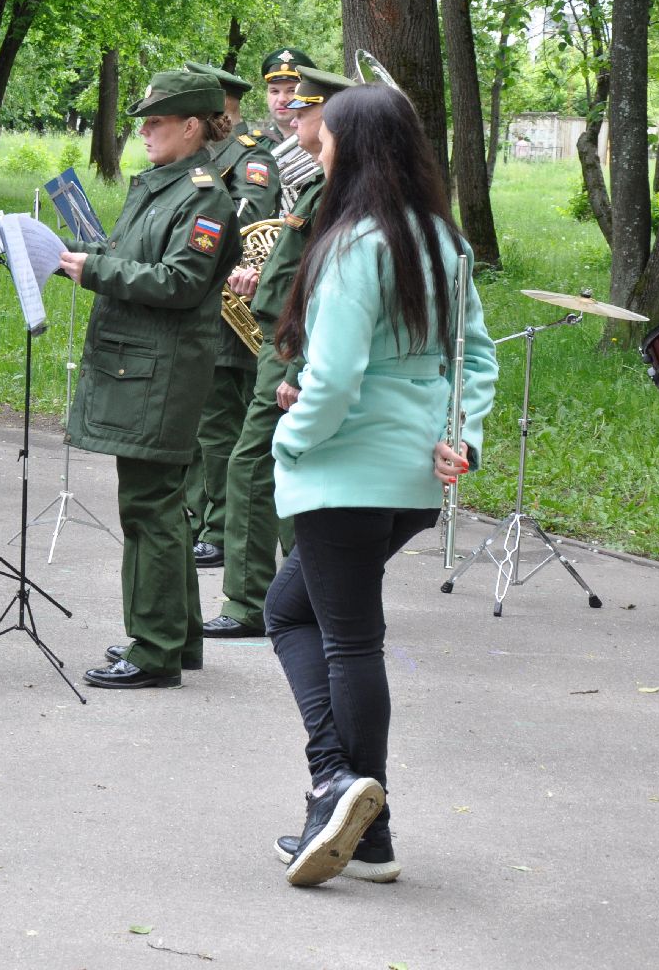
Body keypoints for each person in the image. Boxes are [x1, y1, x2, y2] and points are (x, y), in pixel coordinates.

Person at [264, 83, 497, 886]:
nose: (314, 150)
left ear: (354, 149)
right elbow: (475, 358)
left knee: (348, 639)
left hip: (342, 473)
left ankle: (341, 792)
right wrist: (460, 436)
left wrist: (288, 440)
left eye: (323, 140)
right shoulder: (444, 240)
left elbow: (332, 379)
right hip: (410, 479)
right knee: (289, 610)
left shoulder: (357, 244)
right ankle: (362, 824)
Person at [58, 70, 242, 689]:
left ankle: (155, 648)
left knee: (150, 507)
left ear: (191, 126)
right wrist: (82, 261)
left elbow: (180, 281)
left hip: (163, 371)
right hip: (140, 364)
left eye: (155, 122)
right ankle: (178, 636)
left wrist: (97, 272)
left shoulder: (204, 197)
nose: (143, 132)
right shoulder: (161, 185)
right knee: (160, 504)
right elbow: (133, 258)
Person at [206, 66, 354, 641]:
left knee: (254, 463)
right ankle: (306, 593)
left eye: (307, 107)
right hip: (285, 339)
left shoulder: (337, 187)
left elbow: (328, 283)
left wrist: (295, 362)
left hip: (293, 345)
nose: (293, 113)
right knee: (292, 463)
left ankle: (250, 604)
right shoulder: (323, 182)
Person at [181, 61, 281, 570]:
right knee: (203, 423)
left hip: (231, 307)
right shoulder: (203, 156)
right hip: (200, 303)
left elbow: (250, 219)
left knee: (220, 424)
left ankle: (220, 531)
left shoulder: (250, 156)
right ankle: (201, 518)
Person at [259, 47, 316, 144]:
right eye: (275, 91)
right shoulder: (256, 145)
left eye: (291, 91)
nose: (281, 99)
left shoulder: (322, 142)